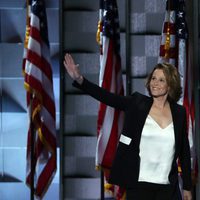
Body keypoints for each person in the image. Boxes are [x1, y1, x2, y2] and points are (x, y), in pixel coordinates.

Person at [63, 53, 192, 200]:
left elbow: (184, 153)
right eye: (153, 78)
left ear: (170, 85)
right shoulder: (137, 103)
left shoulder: (179, 112)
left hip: (168, 189)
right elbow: (108, 97)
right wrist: (80, 80)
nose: (155, 83)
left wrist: (187, 187)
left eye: (161, 80)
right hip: (139, 187)